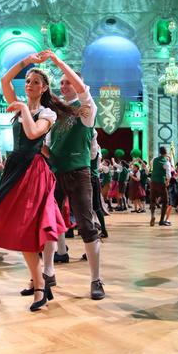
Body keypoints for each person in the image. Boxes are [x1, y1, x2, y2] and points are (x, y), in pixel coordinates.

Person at [0, 52, 69, 311]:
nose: (29, 84)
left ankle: (40, 287)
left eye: (36, 82)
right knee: (21, 224)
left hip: (34, 170)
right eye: (27, 80)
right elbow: (5, 80)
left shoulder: (48, 113)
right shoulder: (21, 104)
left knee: (26, 226)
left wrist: (25, 108)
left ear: (45, 87)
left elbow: (33, 132)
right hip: (16, 167)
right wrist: (27, 62)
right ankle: (36, 281)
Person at [41, 50, 104, 301]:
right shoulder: (54, 115)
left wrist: (58, 63)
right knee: (48, 223)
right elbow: (48, 146)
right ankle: (48, 272)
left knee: (87, 226)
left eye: (68, 81)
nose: (63, 84)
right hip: (55, 174)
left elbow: (82, 90)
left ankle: (96, 279)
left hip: (79, 173)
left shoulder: (86, 109)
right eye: (62, 81)